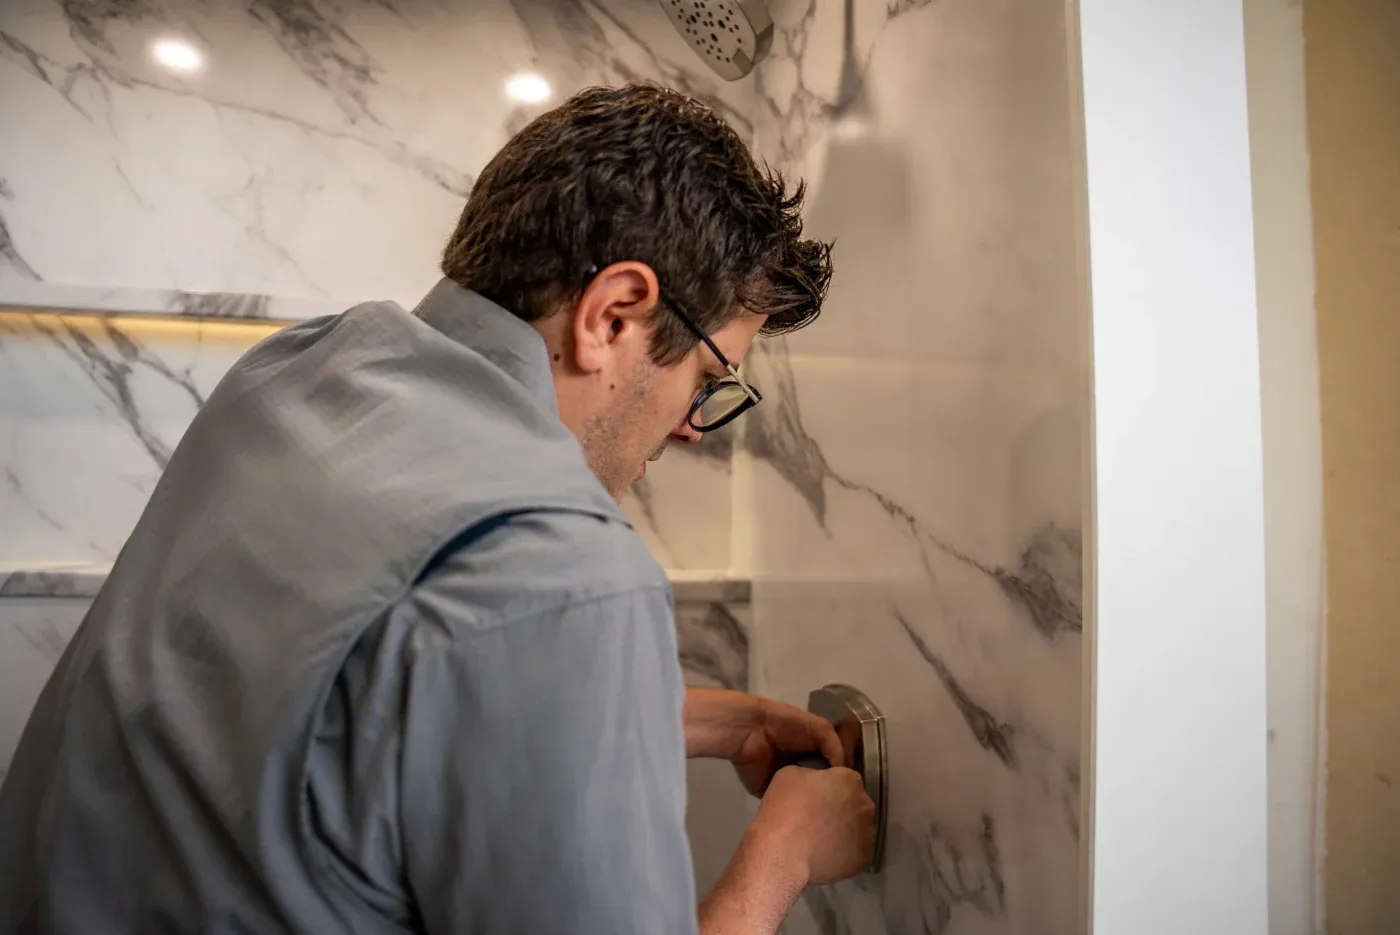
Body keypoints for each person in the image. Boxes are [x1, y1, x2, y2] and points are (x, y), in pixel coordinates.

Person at [0, 84, 875, 934]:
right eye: (707, 380)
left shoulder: (296, 373)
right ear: (614, 315)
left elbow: (363, 703)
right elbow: (500, 624)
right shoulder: (565, 567)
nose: (693, 426)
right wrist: (785, 855)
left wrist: (703, 717)